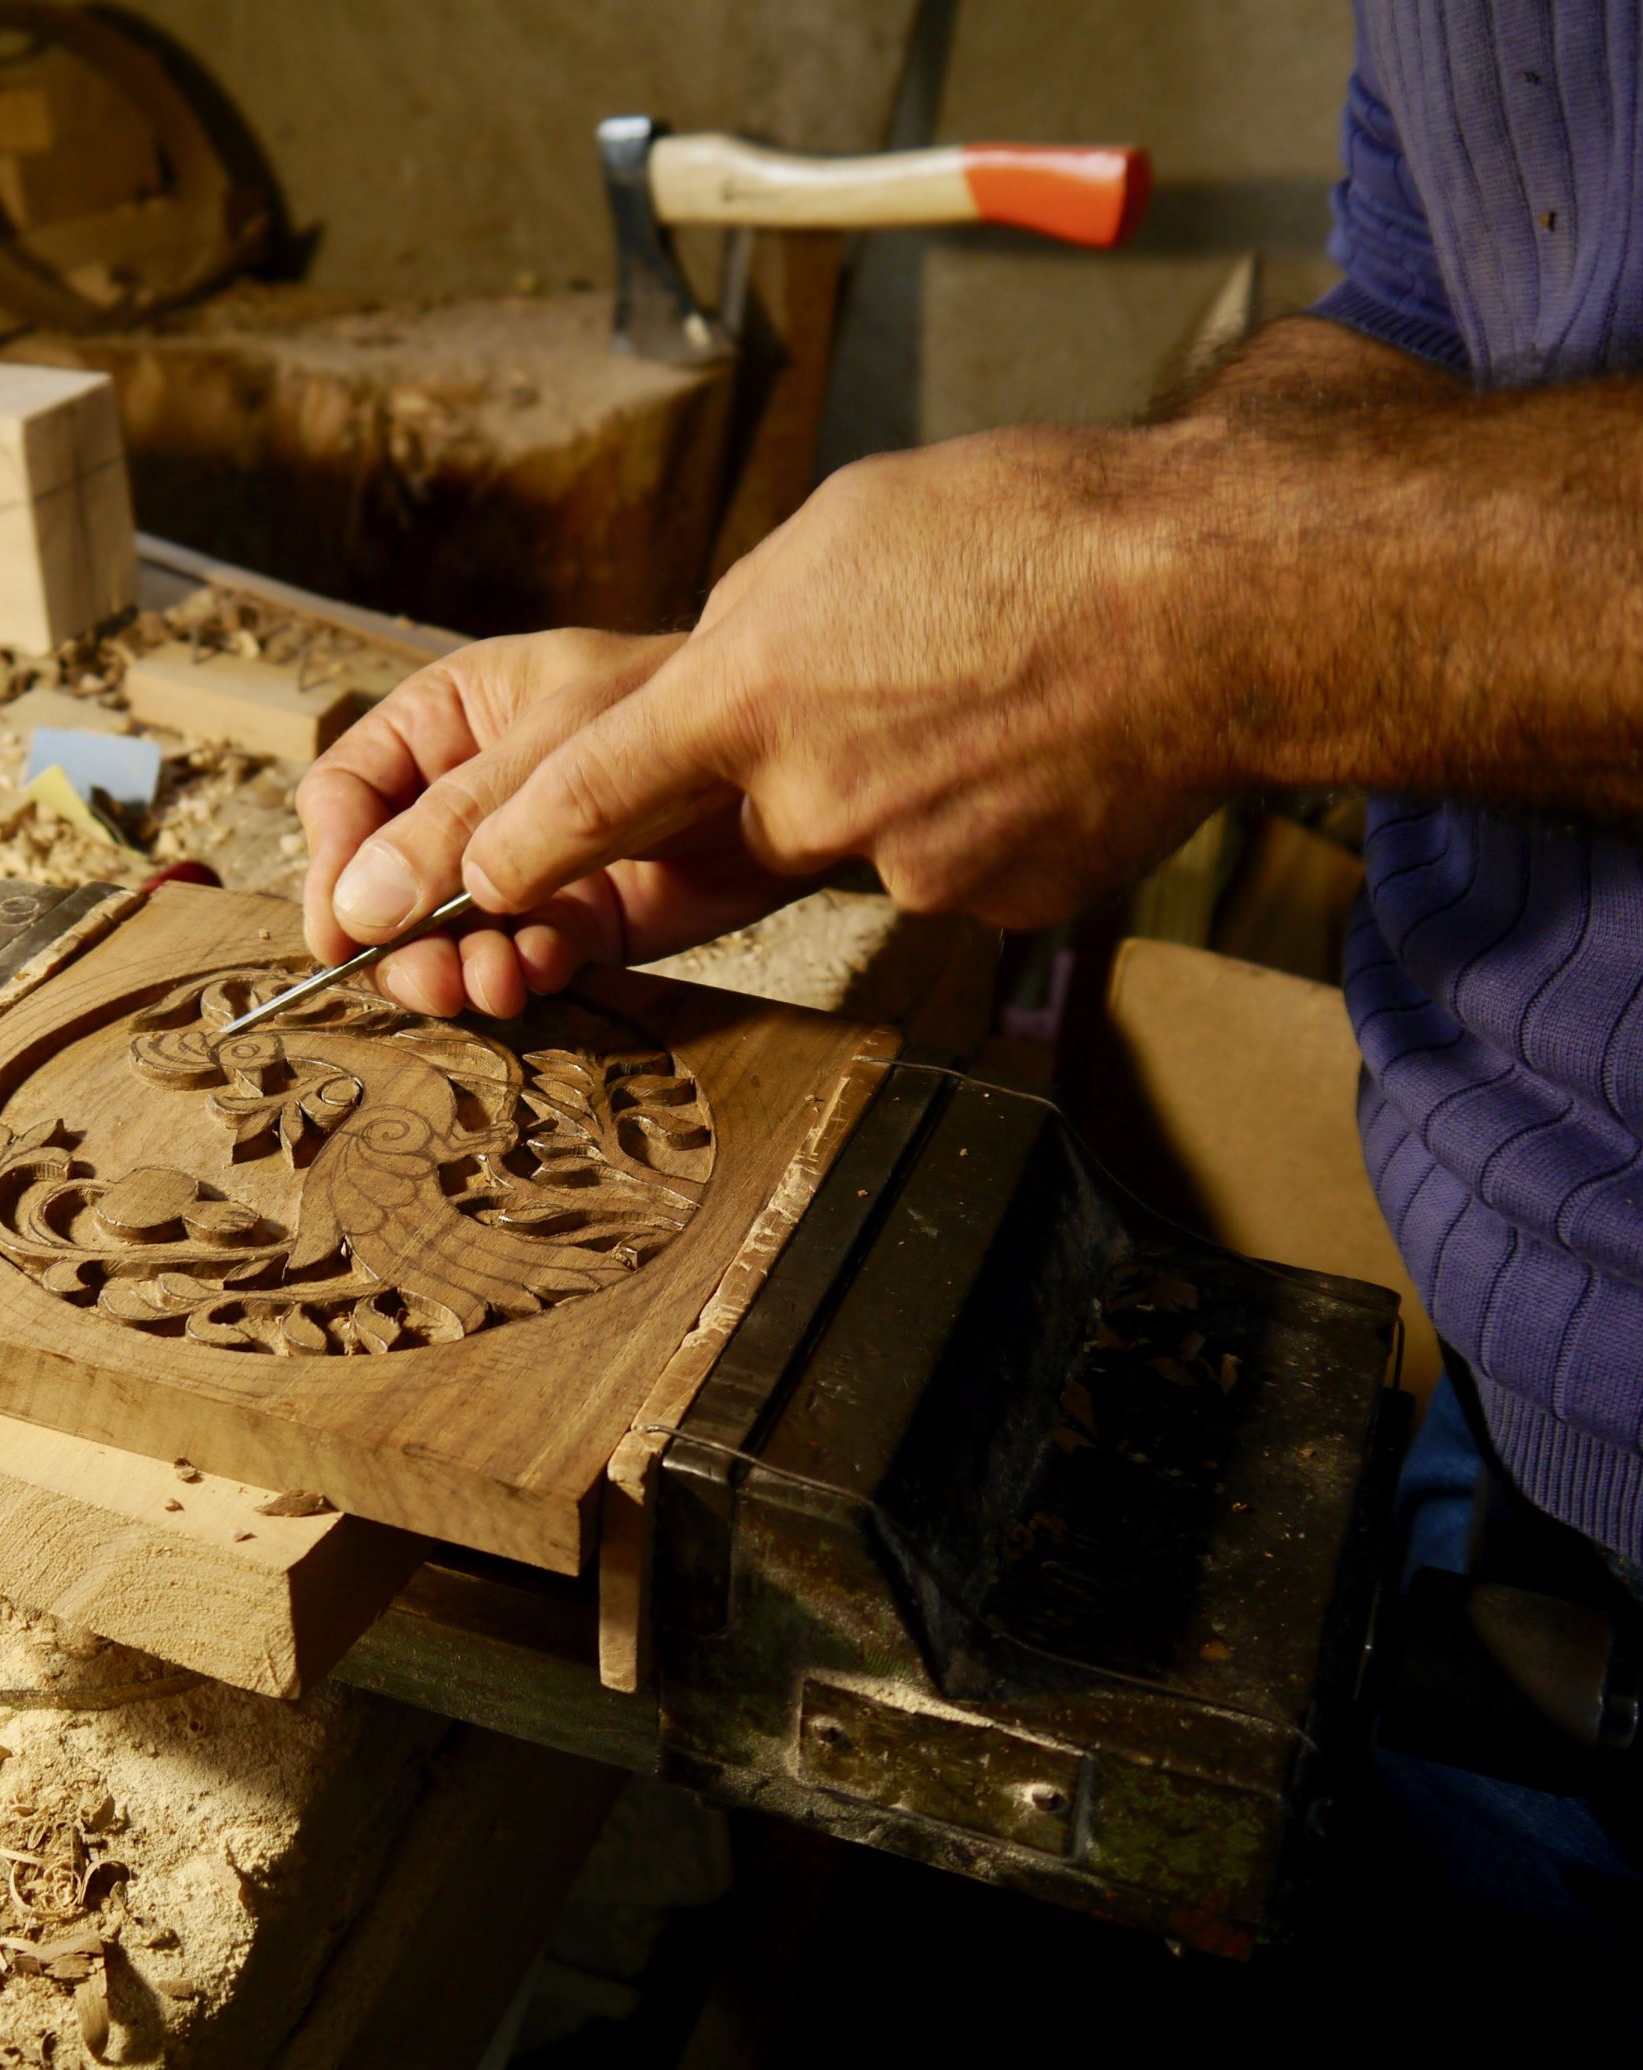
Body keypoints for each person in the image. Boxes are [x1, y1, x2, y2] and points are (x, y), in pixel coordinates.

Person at [297, 3, 1643, 1921]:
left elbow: (1272, 559)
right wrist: (737, 701)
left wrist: (1176, 606)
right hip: (1501, 1400)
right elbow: (1442, 306)